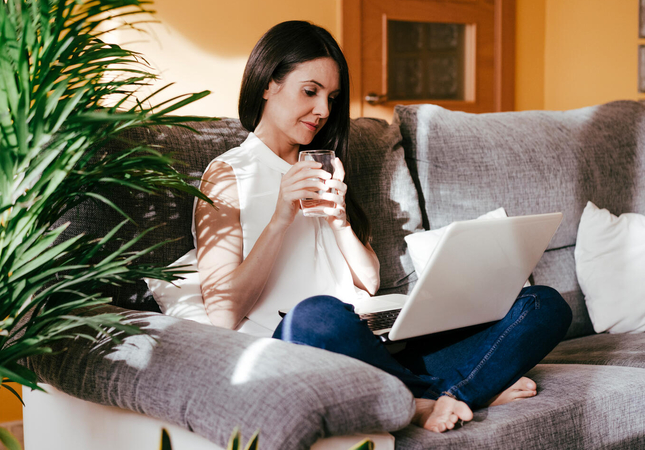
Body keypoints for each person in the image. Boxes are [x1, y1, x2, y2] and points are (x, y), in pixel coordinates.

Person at [193, 20, 572, 433]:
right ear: (267, 83)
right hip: (305, 343)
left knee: (542, 304)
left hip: (374, 346)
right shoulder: (229, 174)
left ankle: (440, 395)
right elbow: (223, 313)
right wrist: (281, 218)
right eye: (310, 91)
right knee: (317, 313)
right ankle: (453, 393)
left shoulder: (324, 165)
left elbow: (369, 283)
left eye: (332, 98)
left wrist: (340, 223)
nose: (323, 110)